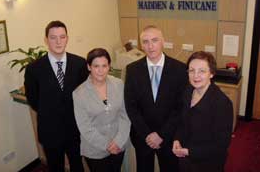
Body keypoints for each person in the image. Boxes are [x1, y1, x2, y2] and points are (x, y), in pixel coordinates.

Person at [24, 20, 89, 172]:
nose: (58, 41)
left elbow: (85, 95)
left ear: (67, 38)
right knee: (55, 167)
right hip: (50, 131)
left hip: (76, 129)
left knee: (77, 166)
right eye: (53, 37)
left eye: (62, 37)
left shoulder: (80, 64)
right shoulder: (34, 69)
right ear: (46, 40)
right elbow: (33, 100)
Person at [124, 25, 188, 172]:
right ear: (141, 45)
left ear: (163, 42)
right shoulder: (132, 70)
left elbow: (180, 107)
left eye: (154, 40)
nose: (150, 46)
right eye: (145, 42)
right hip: (142, 137)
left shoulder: (179, 69)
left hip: (168, 137)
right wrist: (147, 134)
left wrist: (161, 134)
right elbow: (131, 106)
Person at [172, 51, 233, 172]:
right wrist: (177, 139)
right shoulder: (188, 91)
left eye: (202, 71)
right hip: (185, 159)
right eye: (191, 70)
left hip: (207, 163)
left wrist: (190, 151)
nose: (195, 76)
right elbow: (181, 122)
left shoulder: (222, 103)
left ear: (211, 73)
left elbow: (221, 145)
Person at [73, 48, 130, 172]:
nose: (100, 70)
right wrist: (108, 145)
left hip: (119, 144)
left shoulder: (119, 84)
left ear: (109, 66)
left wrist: (118, 141)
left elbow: (125, 115)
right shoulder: (79, 94)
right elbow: (85, 127)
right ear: (89, 67)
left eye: (104, 66)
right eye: (96, 66)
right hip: (95, 149)